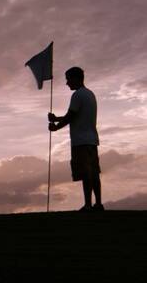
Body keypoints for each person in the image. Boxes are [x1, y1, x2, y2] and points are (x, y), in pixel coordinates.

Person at [48, 66, 103, 212]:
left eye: (68, 79)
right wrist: (57, 118)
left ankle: (88, 205)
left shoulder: (77, 95)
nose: (67, 83)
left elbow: (70, 117)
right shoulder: (90, 94)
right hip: (92, 140)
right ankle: (98, 204)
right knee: (94, 173)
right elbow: (75, 116)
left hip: (81, 141)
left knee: (86, 174)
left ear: (76, 78)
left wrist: (55, 127)